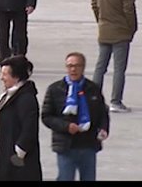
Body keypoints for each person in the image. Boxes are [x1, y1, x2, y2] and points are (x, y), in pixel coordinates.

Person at [41, 52, 110, 181]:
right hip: (66, 145)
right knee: (65, 178)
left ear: (83, 67)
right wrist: (66, 126)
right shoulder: (55, 89)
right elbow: (46, 116)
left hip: (88, 144)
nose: (73, 69)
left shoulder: (93, 88)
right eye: (70, 66)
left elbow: (102, 113)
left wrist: (103, 129)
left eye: (77, 66)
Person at [91, 0, 137, 114]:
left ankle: (93, 99)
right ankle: (115, 101)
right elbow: (129, 9)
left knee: (100, 66)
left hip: (104, 28)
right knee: (119, 69)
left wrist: (101, 20)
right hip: (121, 31)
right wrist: (131, 28)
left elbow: (94, 4)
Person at [0, 55, 41, 181]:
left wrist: (18, 153)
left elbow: (29, 129)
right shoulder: (9, 95)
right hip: (7, 154)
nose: (1, 78)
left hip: (19, 164)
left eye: (5, 74)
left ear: (16, 76)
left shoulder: (26, 99)